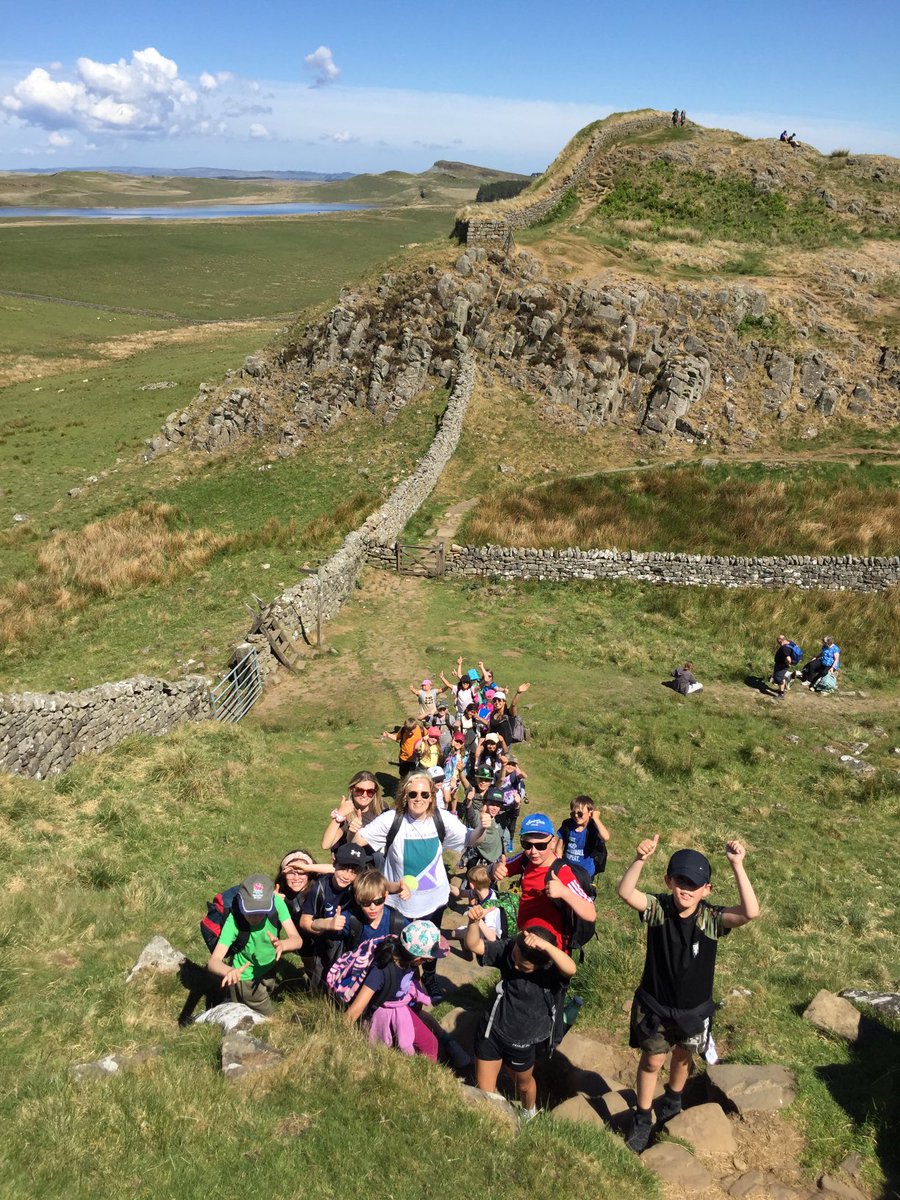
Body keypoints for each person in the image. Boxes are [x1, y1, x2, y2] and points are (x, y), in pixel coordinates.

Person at [617, 835, 759, 1154]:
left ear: (706, 889)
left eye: (694, 884)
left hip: (694, 1012)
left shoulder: (710, 919)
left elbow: (751, 912)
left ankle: (672, 1101)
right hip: (655, 1006)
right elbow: (625, 892)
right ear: (669, 880)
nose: (686, 888)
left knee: (683, 1057)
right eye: (680, 880)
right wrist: (639, 859)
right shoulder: (658, 909)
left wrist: (737, 865)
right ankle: (642, 1119)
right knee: (652, 1060)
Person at [354, 771, 492, 991]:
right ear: (405, 796)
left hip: (433, 900)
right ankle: (399, 985)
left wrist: (482, 828)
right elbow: (359, 840)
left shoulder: (442, 818)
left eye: (424, 794)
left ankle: (429, 978)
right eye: (413, 794)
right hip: (398, 902)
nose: (418, 798)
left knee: (430, 943)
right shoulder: (392, 819)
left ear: (431, 796)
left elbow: (470, 840)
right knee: (400, 946)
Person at [465, 913, 576, 1120]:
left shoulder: (551, 971)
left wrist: (548, 947)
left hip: (523, 1040)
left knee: (524, 1085)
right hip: (493, 1029)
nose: (515, 965)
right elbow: (474, 945)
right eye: (515, 957)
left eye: (523, 966)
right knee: (484, 1090)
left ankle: (528, 1111)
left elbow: (571, 968)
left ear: (542, 965)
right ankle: (488, 1122)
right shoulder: (510, 949)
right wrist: (473, 923)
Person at [344, 920, 447, 1059]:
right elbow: (355, 1010)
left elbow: (414, 979)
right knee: (430, 1045)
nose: (427, 962)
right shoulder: (380, 972)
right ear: (417, 958)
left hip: (402, 1007)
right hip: (384, 1016)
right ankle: (423, 1075)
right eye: (427, 960)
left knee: (428, 1044)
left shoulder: (406, 955)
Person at [492, 813, 596, 950]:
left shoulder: (562, 872)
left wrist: (564, 892)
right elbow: (501, 868)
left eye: (540, 846)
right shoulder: (525, 859)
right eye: (527, 844)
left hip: (550, 948)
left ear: (553, 843)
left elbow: (591, 913)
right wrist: (494, 868)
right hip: (526, 937)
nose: (533, 851)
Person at [206, 873, 303, 1015]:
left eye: (262, 911)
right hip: (246, 978)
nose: (256, 916)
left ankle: (231, 1002)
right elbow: (213, 962)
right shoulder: (234, 920)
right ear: (241, 902)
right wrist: (229, 971)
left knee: (255, 1001)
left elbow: (297, 940)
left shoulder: (277, 903)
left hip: (269, 967)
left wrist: (283, 945)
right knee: (266, 1019)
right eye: (250, 911)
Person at [298, 843, 368, 991]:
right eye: (343, 868)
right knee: (321, 983)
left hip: (352, 943)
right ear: (334, 861)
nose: (347, 876)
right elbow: (304, 922)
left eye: (353, 871)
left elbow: (381, 886)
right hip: (325, 943)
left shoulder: (357, 885)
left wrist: (398, 887)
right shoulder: (320, 888)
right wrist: (328, 924)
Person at [321, 771, 385, 854]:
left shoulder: (382, 807)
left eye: (370, 791)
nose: (364, 795)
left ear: (375, 792)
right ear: (352, 789)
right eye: (359, 790)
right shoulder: (347, 812)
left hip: (378, 862)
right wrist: (340, 815)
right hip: (354, 863)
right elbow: (326, 845)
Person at [556, 796, 611, 886]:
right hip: (567, 870)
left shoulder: (593, 828)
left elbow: (606, 837)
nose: (576, 816)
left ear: (590, 812)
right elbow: (559, 848)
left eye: (580, 814)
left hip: (586, 873)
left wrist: (596, 819)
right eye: (573, 814)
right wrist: (559, 865)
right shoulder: (567, 825)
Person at [448, 863, 504, 943]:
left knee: (454, 933)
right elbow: (460, 893)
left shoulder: (490, 908)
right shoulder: (483, 891)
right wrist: (448, 886)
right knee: (459, 931)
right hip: (483, 927)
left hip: (492, 936)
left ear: (471, 885)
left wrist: (478, 920)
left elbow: (492, 938)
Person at [771, 635, 796, 699]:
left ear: (780, 640)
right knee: (781, 677)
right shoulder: (790, 643)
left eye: (778, 641)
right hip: (782, 664)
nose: (778, 643)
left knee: (778, 678)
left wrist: (788, 664)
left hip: (781, 665)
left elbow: (788, 659)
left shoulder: (784, 648)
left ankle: (781, 694)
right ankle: (781, 690)